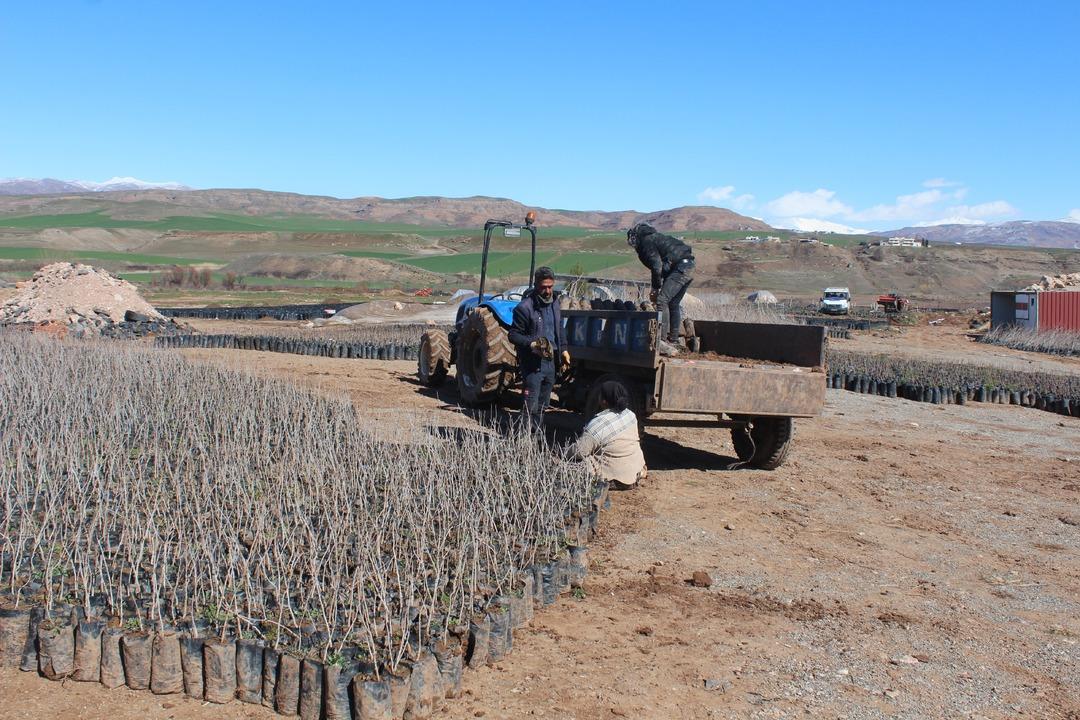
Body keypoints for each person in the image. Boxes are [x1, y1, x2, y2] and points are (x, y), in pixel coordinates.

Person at [508, 266, 568, 429]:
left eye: (550, 286)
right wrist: (532, 343)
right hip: (533, 364)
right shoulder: (524, 308)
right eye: (543, 287)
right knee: (530, 405)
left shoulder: (555, 303)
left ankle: (536, 437)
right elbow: (513, 335)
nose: (548, 291)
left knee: (542, 406)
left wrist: (563, 349)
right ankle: (524, 440)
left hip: (550, 362)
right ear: (536, 285)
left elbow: (559, 328)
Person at [626, 222, 695, 355]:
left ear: (636, 236)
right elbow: (664, 265)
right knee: (673, 303)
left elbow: (656, 266)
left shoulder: (647, 242)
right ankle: (674, 339)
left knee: (662, 301)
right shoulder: (657, 238)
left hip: (680, 268)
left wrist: (655, 287)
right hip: (689, 266)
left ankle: (661, 340)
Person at [571, 381, 647, 490]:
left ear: (603, 401)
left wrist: (563, 452)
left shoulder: (598, 424)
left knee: (578, 462)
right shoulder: (630, 415)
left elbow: (579, 451)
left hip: (616, 478)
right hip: (635, 470)